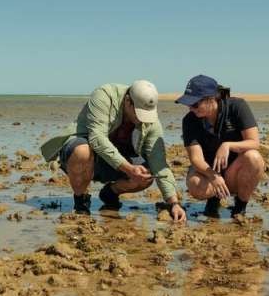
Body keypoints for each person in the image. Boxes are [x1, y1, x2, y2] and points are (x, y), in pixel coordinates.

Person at [40, 80, 186, 222]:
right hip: (85, 156)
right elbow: (97, 139)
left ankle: (110, 193)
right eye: (138, 114)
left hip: (116, 163)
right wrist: (129, 169)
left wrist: (174, 203)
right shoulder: (104, 96)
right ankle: (81, 203)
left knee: (148, 175)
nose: (142, 120)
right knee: (82, 151)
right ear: (128, 101)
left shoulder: (151, 123)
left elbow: (159, 162)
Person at [176, 75, 265, 218]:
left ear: (211, 99)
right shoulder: (189, 121)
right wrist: (213, 176)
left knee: (254, 157)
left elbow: (254, 143)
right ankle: (213, 199)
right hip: (208, 170)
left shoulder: (237, 107)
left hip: (234, 170)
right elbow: (196, 158)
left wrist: (228, 145)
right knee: (195, 184)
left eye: (195, 104)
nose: (191, 108)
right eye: (188, 104)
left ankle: (240, 206)